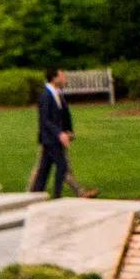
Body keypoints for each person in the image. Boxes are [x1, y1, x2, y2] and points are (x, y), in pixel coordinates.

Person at [31, 68, 89, 199]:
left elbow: (64, 115)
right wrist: (59, 134)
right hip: (50, 138)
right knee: (62, 166)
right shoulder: (45, 95)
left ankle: (35, 196)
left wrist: (68, 131)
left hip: (55, 138)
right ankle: (57, 196)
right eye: (62, 76)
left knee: (44, 170)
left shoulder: (57, 93)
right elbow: (45, 120)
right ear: (54, 78)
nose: (64, 79)